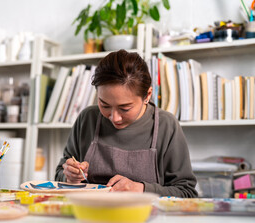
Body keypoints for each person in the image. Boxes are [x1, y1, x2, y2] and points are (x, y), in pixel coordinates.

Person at [55, 49, 197, 198]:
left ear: (147, 95)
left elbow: (186, 193)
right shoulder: (87, 119)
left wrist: (141, 189)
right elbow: (58, 176)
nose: (114, 118)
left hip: (146, 218)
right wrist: (70, 177)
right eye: (104, 105)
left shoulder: (166, 125)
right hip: (91, 214)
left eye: (125, 108)